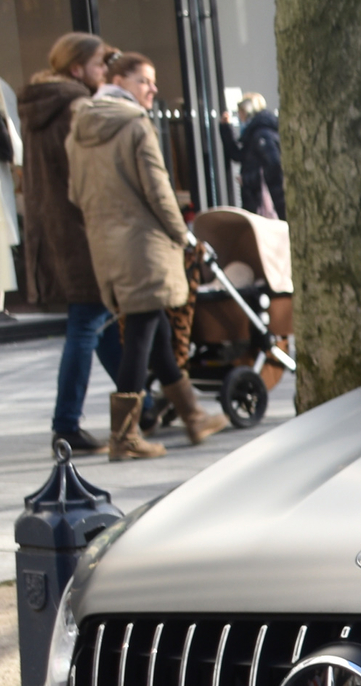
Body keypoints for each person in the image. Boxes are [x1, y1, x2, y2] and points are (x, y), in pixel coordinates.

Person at [67, 51, 226, 460]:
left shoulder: (80, 128)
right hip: (145, 245)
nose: (152, 89)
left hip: (106, 243)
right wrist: (185, 237)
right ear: (120, 80)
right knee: (140, 334)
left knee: (153, 330)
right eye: (145, 81)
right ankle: (125, 438)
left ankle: (192, 415)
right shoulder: (135, 126)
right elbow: (159, 191)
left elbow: (74, 193)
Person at [20, 32, 114, 455]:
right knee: (88, 320)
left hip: (55, 228)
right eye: (99, 64)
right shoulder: (76, 106)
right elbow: (87, 175)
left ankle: (143, 400)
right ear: (76, 69)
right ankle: (66, 422)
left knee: (101, 319)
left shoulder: (43, 104)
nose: (104, 72)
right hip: (78, 229)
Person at [234, 94, 284, 220]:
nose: (240, 118)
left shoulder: (261, 134)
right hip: (258, 197)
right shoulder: (254, 133)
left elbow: (274, 164)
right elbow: (239, 155)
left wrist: (247, 179)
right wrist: (225, 129)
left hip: (265, 198)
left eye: (241, 114)